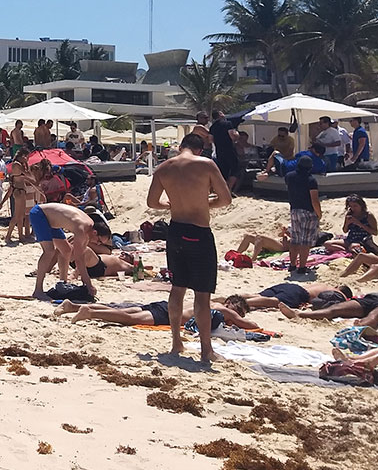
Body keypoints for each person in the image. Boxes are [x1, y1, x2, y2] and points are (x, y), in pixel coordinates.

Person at [145, 132, 233, 363]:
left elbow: (152, 202)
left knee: (177, 288)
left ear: (180, 147)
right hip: (198, 232)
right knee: (202, 296)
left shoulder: (164, 168)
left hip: (175, 232)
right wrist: (203, 203)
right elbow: (226, 199)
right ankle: (206, 350)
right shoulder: (206, 164)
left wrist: (172, 204)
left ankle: (176, 343)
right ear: (200, 150)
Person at [58, 295, 258, 332]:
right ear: (230, 303)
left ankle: (73, 306)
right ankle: (90, 313)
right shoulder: (222, 309)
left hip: (165, 305)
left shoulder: (211, 301)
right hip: (170, 314)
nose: (238, 315)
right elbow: (251, 326)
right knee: (129, 318)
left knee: (125, 310)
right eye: (238, 310)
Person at [29, 202, 99, 300]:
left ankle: (62, 283)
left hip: (51, 219)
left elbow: (81, 256)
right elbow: (79, 259)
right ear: (95, 233)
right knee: (49, 251)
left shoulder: (89, 226)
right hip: (40, 214)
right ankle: (38, 290)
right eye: (98, 240)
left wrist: (85, 281)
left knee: (66, 250)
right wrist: (88, 284)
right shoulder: (82, 229)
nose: (97, 243)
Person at [278, 288, 378, 329]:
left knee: (376, 316)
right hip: (375, 299)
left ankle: (361, 327)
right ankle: (299, 315)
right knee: (336, 308)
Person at [284, 155, 322, 274]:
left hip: (294, 210)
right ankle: (302, 267)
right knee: (305, 241)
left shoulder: (289, 176)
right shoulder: (311, 180)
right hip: (307, 212)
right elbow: (314, 200)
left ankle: (292, 264)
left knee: (295, 239)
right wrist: (319, 214)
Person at [230, 282, 351, 313]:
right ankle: (243, 303)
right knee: (274, 302)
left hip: (291, 286)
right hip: (300, 293)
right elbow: (322, 302)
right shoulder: (340, 294)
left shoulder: (325, 285)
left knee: (258, 295)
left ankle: (229, 298)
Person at [209, 109, 246, 193]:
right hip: (229, 149)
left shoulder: (213, 127)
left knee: (223, 170)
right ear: (220, 115)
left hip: (219, 150)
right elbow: (232, 135)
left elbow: (210, 139)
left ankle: (222, 190)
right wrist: (237, 136)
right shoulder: (227, 123)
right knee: (235, 169)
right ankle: (228, 188)